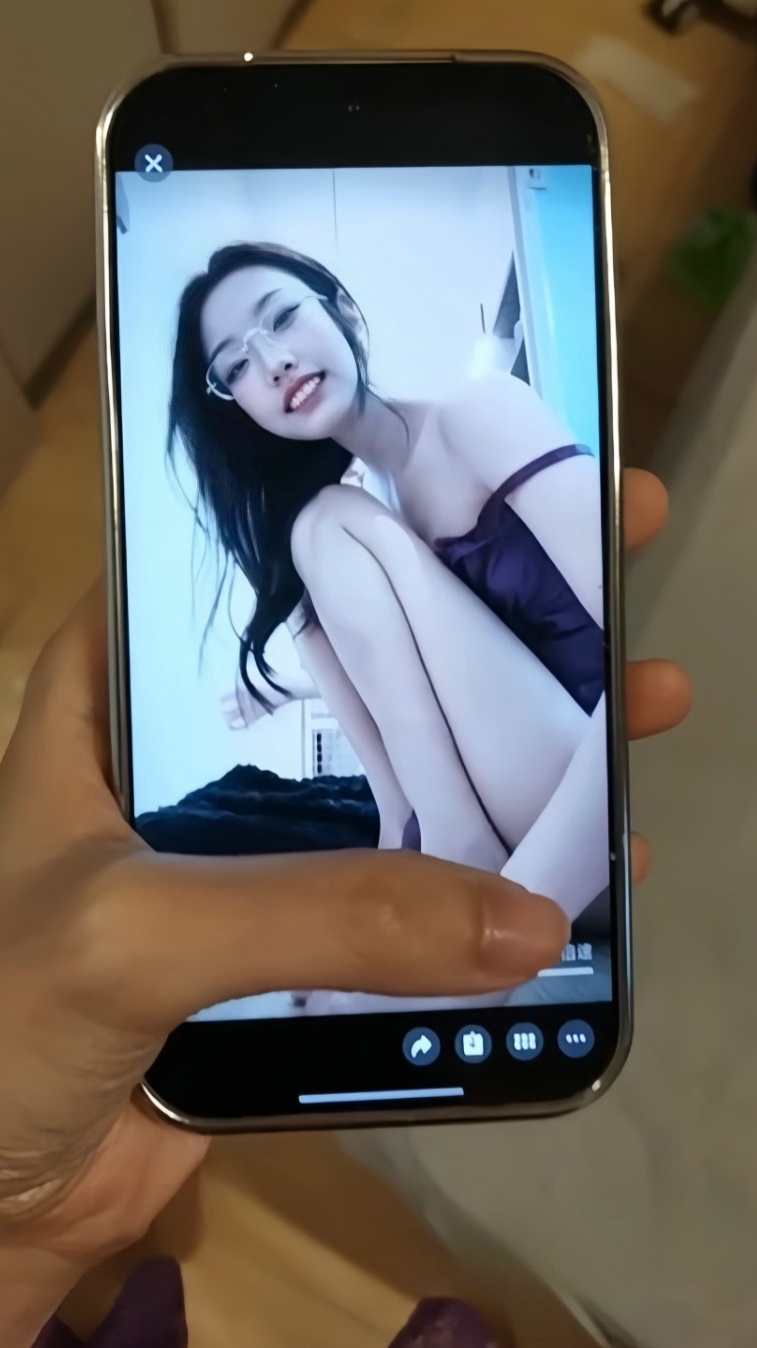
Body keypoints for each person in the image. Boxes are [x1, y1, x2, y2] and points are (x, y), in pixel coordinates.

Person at [0, 461, 688, 1342]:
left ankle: (482, 876)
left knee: (327, 539)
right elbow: (392, 778)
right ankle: (473, 870)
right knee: (319, 615)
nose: (276, 378)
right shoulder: (327, 572)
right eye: (243, 373)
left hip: (538, 760)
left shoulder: (388, 485)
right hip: (508, 780)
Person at [169, 243, 612, 922]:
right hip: (530, 804)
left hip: (603, 811)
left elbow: (643, 637)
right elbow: (452, 667)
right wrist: (295, 688)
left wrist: (518, 909)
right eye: (237, 367)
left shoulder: (478, 412)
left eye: (282, 317)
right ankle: (420, 842)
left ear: (342, 311)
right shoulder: (362, 513)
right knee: (308, 551)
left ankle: (456, 855)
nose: (274, 362)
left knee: (324, 524)